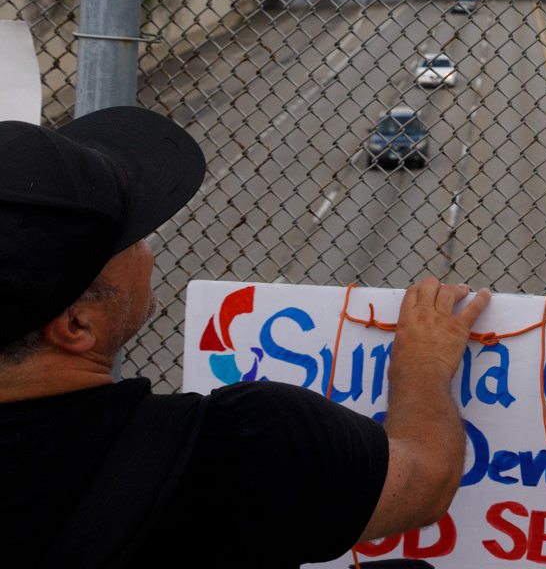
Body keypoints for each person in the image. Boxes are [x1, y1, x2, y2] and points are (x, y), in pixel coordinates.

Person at [0, 106, 492, 567]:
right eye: (132, 238)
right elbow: (426, 481)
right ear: (75, 326)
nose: (148, 249)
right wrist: (423, 366)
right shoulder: (247, 445)